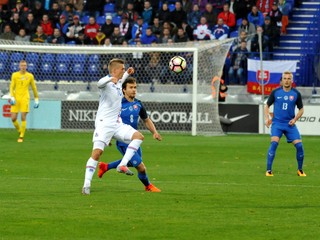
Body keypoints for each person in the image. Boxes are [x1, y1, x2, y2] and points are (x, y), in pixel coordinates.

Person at [82, 58, 144, 195]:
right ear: (115, 70)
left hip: (117, 124)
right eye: (122, 68)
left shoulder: (119, 82)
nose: (123, 70)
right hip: (104, 124)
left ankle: (122, 164)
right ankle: (86, 184)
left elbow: (120, 81)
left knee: (138, 137)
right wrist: (110, 79)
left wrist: (127, 73)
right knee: (97, 153)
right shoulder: (107, 82)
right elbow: (99, 84)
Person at [98, 77, 162, 192]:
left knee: (133, 162)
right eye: (131, 87)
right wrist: (108, 137)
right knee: (141, 167)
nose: (134, 90)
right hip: (123, 140)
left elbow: (146, 120)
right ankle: (148, 186)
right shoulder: (118, 103)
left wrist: (155, 132)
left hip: (134, 140)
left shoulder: (138, 104)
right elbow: (108, 120)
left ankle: (106, 166)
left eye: (135, 87)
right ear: (124, 90)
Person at [264, 71, 306, 177]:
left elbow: (301, 109)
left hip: (289, 124)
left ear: (292, 80)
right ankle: (268, 170)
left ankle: (300, 170)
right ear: (281, 80)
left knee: (300, 146)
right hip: (277, 123)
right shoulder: (275, 92)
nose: (286, 80)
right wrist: (267, 118)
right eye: (285, 78)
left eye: (289, 78)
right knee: (274, 143)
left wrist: (295, 119)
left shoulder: (296, 94)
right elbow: (266, 106)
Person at [9, 60, 39, 143]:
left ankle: (21, 136)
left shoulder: (30, 76)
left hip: (25, 98)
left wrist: (36, 98)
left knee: (23, 116)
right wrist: (12, 97)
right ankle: (20, 130)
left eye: (25, 65)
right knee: (13, 118)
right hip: (16, 97)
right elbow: (12, 87)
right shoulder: (14, 75)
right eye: (22, 65)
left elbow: (34, 88)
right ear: (19, 66)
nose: (23, 67)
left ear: (27, 66)